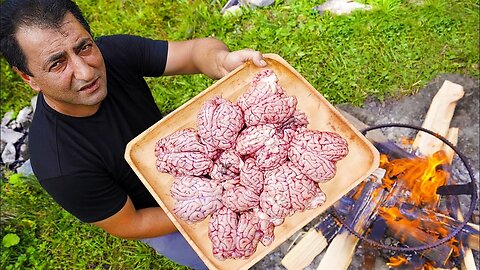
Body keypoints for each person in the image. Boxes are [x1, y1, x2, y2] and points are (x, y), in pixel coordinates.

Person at [0, 0, 267, 269]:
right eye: (57, 63)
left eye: (84, 46)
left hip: (198, 165)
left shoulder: (113, 53)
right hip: (163, 217)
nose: (85, 71)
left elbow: (197, 51)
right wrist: (217, 203)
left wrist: (222, 61)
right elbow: (130, 223)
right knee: (224, 259)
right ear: (28, 77)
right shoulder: (60, 166)